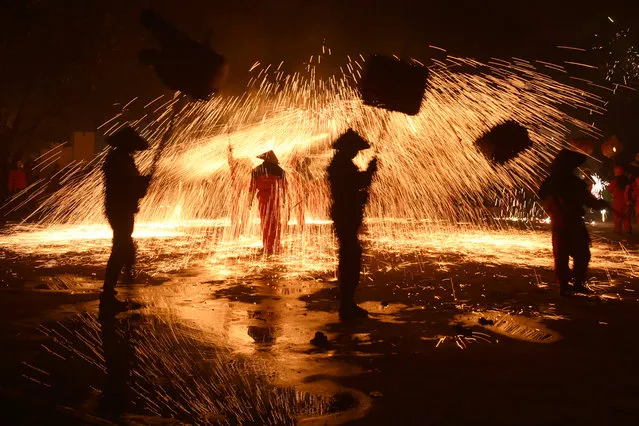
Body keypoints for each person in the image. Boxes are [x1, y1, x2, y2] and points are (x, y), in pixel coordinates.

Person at [538, 149, 609, 296]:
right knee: (582, 253)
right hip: (572, 222)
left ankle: (564, 285)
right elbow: (590, 202)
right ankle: (576, 283)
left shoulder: (550, 182)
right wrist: (601, 204)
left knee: (561, 254)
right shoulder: (574, 183)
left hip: (558, 222)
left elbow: (541, 194)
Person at [327, 129, 378, 320]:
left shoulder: (340, 163)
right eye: (355, 149)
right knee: (350, 258)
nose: (357, 152)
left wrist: (367, 173)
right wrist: (370, 172)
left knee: (349, 256)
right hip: (345, 215)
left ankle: (347, 303)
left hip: (346, 215)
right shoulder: (342, 166)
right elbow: (353, 184)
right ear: (347, 149)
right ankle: (347, 305)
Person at [101, 127, 151, 313]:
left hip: (121, 208)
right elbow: (126, 186)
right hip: (119, 209)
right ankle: (107, 295)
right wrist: (141, 184)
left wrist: (140, 183)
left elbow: (130, 185)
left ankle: (115, 288)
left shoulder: (119, 158)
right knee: (120, 248)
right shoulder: (118, 160)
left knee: (124, 246)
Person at [248, 150, 287, 255]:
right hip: (274, 199)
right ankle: (276, 246)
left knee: (265, 223)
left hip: (263, 200)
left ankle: (267, 247)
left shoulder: (256, 170)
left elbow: (252, 188)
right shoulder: (280, 171)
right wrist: (284, 200)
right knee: (275, 222)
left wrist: (249, 202)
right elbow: (284, 188)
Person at [607, 165, 632, 234]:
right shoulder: (627, 180)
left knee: (617, 216)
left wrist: (608, 186)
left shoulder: (615, 181)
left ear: (617, 172)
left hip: (617, 201)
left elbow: (609, 190)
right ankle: (628, 230)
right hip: (626, 201)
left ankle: (618, 230)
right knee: (626, 216)